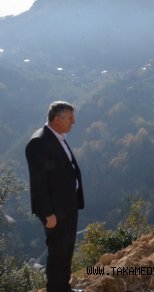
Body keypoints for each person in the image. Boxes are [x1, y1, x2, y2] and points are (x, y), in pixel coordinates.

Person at [26, 101, 84, 292]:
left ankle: (63, 288)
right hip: (55, 212)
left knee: (66, 251)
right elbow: (38, 183)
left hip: (68, 207)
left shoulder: (58, 136)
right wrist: (47, 213)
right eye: (70, 118)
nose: (73, 122)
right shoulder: (39, 142)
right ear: (57, 119)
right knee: (57, 253)